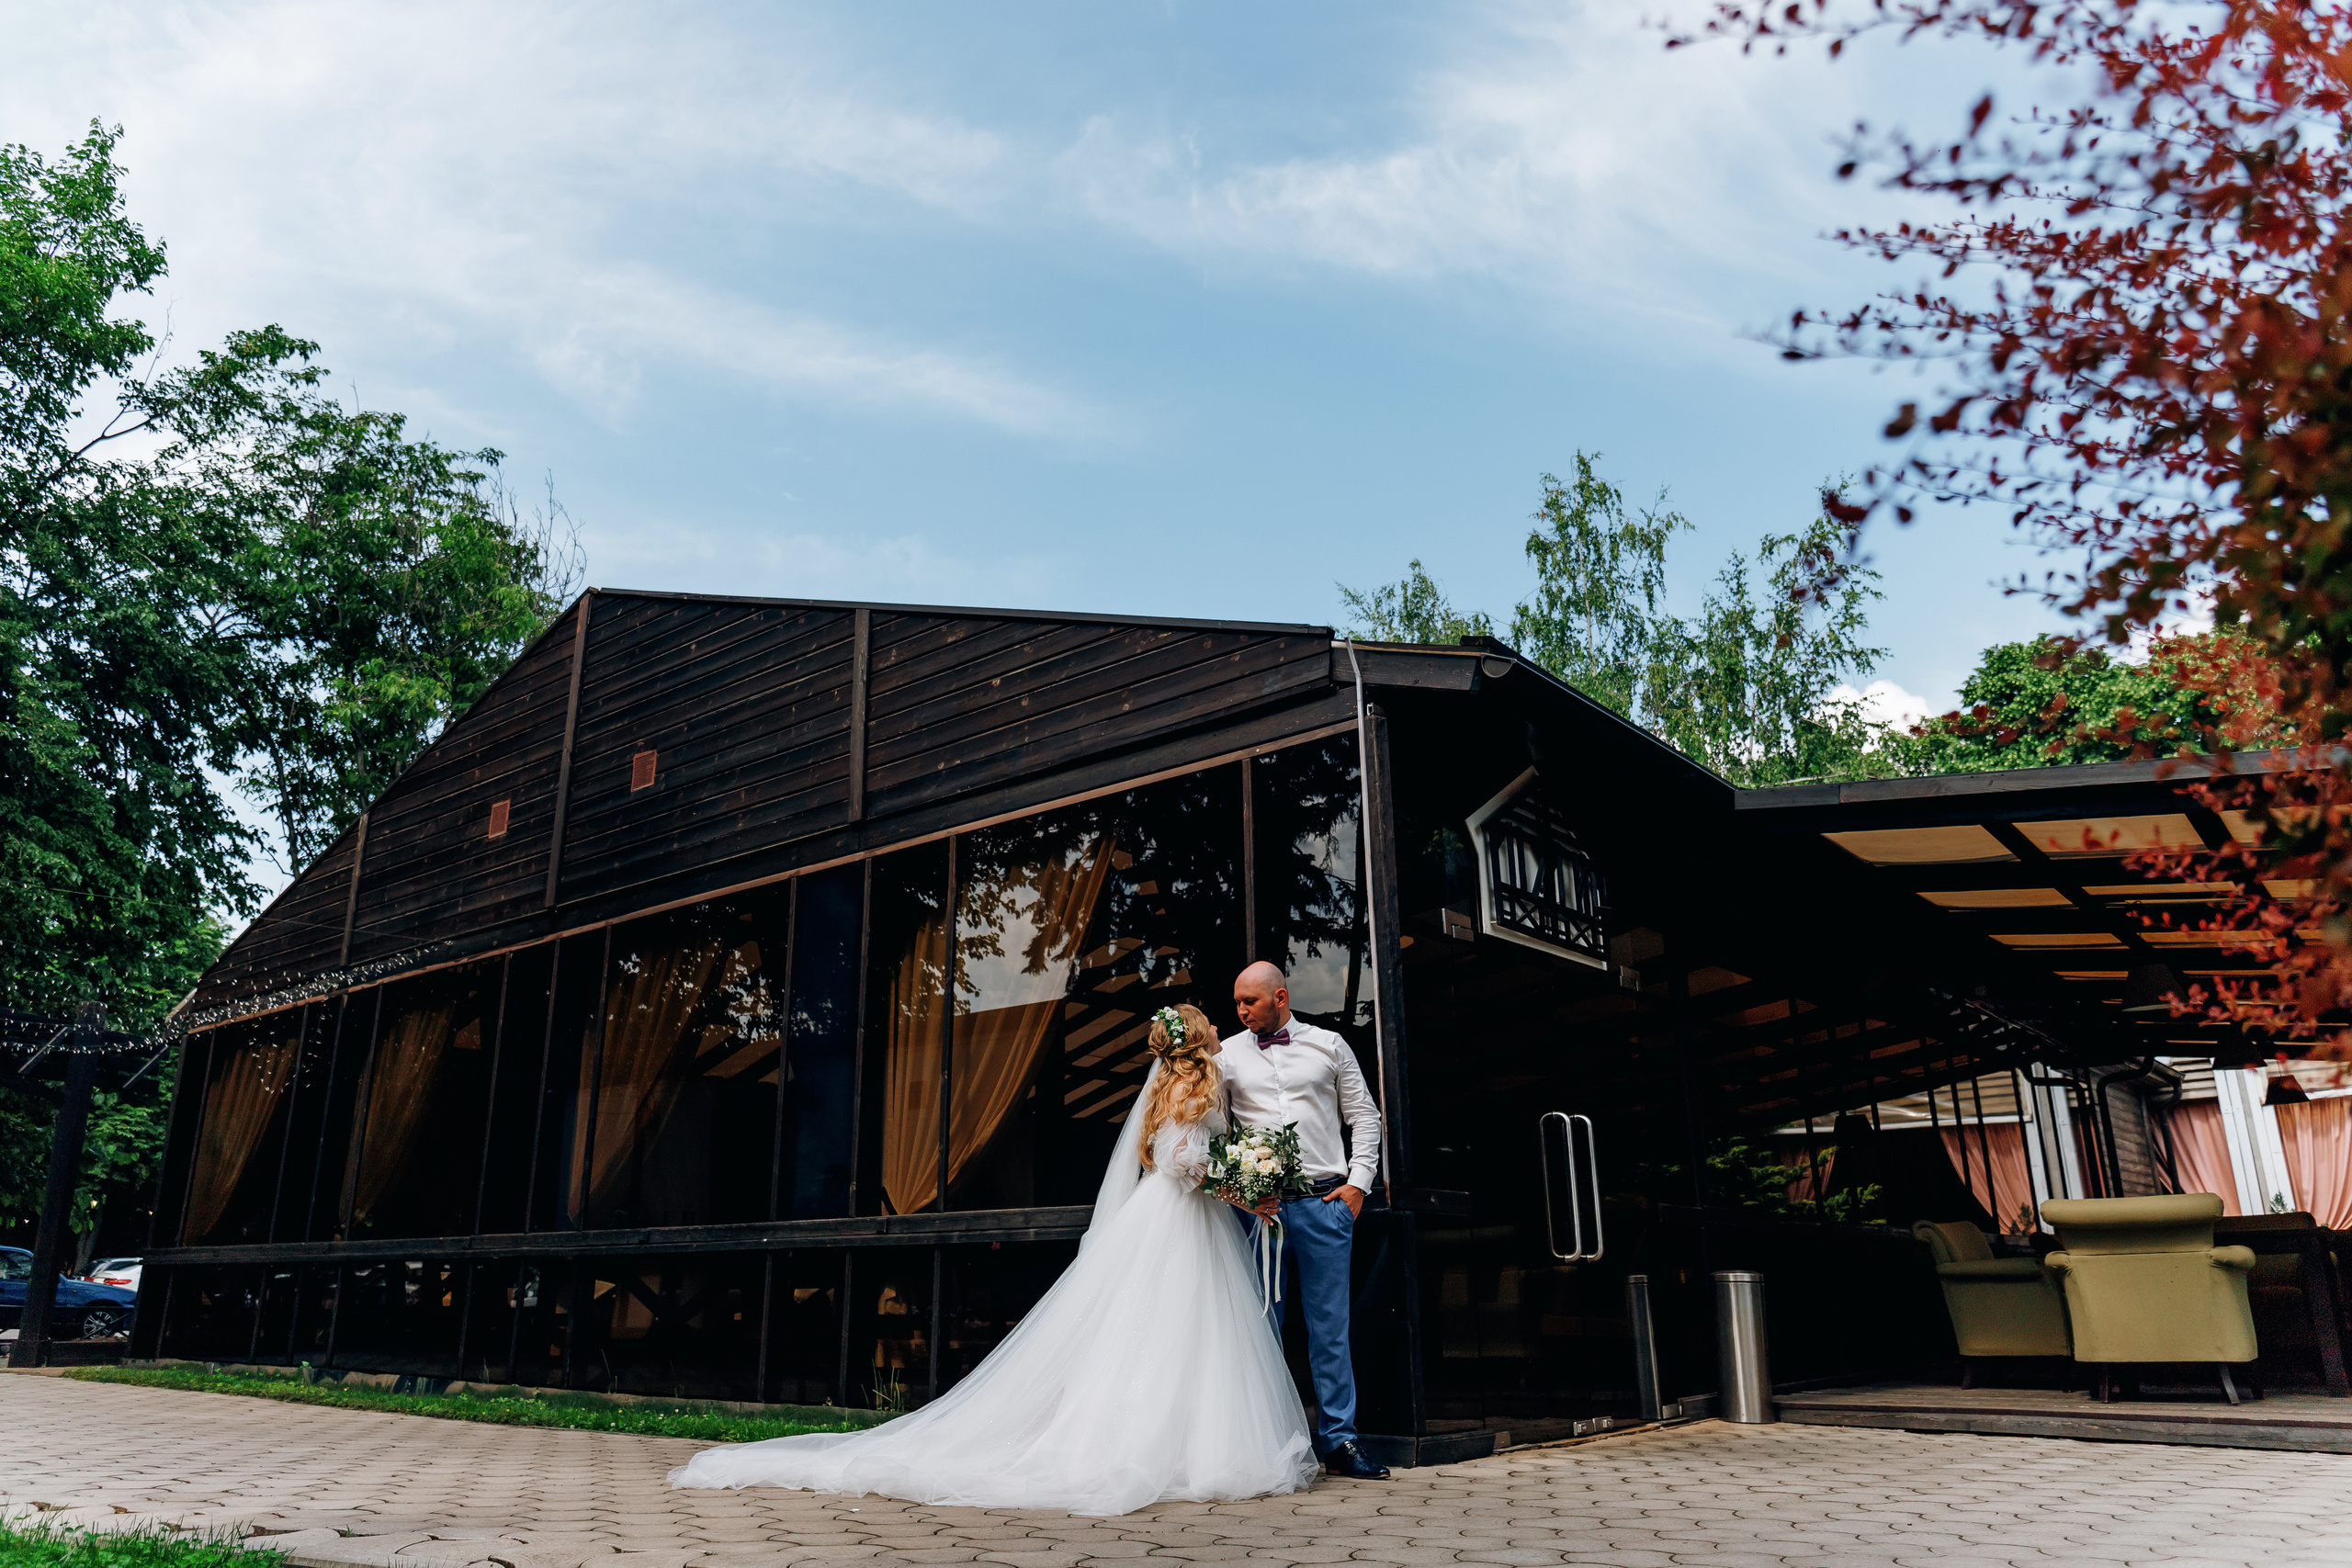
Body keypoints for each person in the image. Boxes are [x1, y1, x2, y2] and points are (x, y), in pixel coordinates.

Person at [668, 1003, 1318, 1516]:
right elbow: (1181, 1162)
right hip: (1179, 1219)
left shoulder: (1181, 1085)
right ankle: (1163, 1446)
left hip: (1178, 1220)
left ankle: (1185, 1442)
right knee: (1169, 1329)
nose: (1215, 1027)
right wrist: (1238, 1186)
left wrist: (1237, 1182)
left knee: (1172, 1335)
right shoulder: (1189, 1091)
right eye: (1208, 1023)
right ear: (1197, 1040)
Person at [1224, 960, 1390, 1481]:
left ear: (1280, 996)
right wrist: (1236, 1191)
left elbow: (1364, 1116)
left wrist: (1358, 1186)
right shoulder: (1225, 1056)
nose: (1242, 1011)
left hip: (1325, 1206)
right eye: (1237, 1003)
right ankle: (1269, 1446)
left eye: (1250, 1001)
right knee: (1260, 1329)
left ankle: (1340, 1442)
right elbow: (1212, 1131)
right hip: (1261, 1212)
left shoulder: (1329, 1044)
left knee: (1330, 1331)